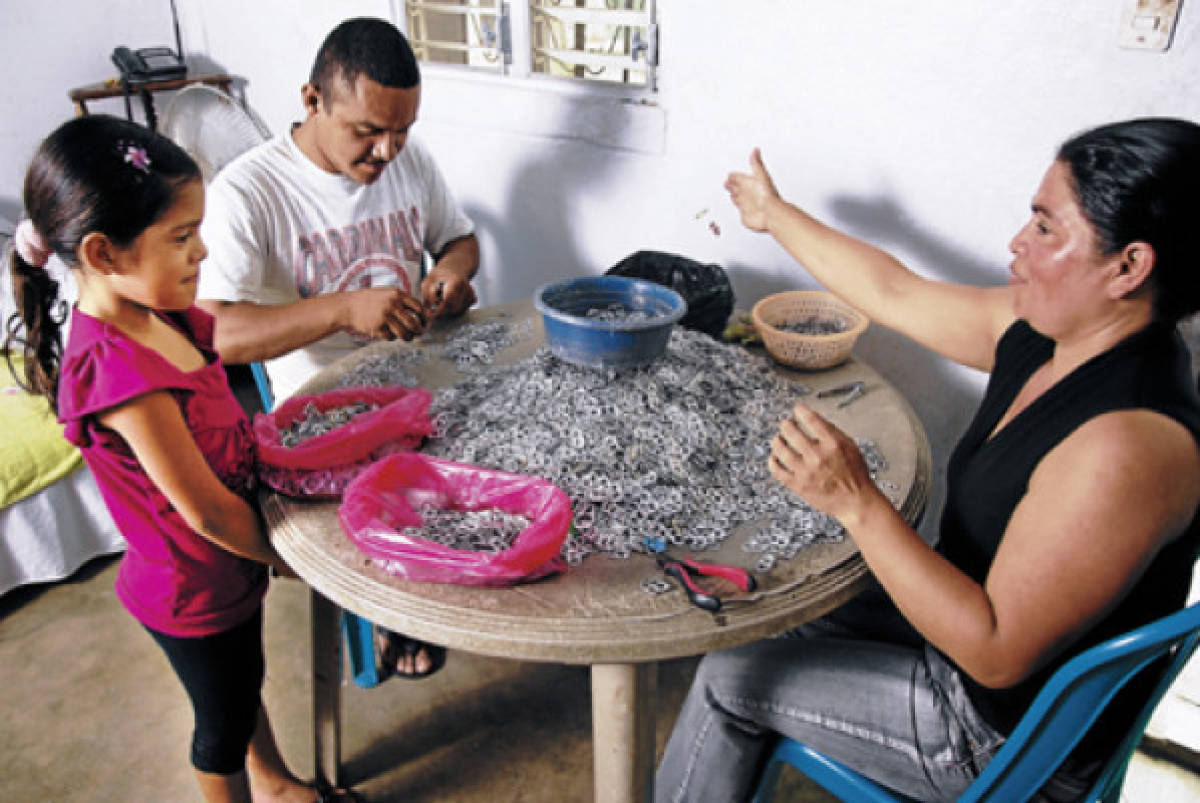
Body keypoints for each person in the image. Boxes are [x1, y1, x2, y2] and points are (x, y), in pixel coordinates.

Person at [656, 117, 1200, 802]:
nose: (1016, 242)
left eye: (1045, 228)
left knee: (730, 679)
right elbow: (895, 292)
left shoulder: (1125, 448)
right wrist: (775, 215)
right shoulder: (1051, 333)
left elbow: (996, 651)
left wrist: (856, 499)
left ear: (1129, 266)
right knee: (780, 595)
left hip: (1003, 733)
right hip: (963, 626)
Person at [4, 115, 361, 803]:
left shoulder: (158, 311)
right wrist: (282, 553)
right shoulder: (116, 371)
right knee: (220, 724)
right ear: (105, 254)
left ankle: (277, 782)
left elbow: (221, 393)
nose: (201, 252)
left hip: (222, 569)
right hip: (190, 589)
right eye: (181, 236)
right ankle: (244, 783)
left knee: (243, 679)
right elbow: (202, 508)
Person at [197, 16, 478, 678]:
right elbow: (217, 334)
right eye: (367, 132)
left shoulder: (413, 162)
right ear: (311, 101)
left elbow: (459, 240)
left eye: (401, 132)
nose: (387, 152)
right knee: (392, 486)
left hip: (418, 372)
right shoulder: (247, 192)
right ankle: (389, 608)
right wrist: (343, 310)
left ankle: (445, 581)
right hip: (324, 405)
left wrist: (450, 274)